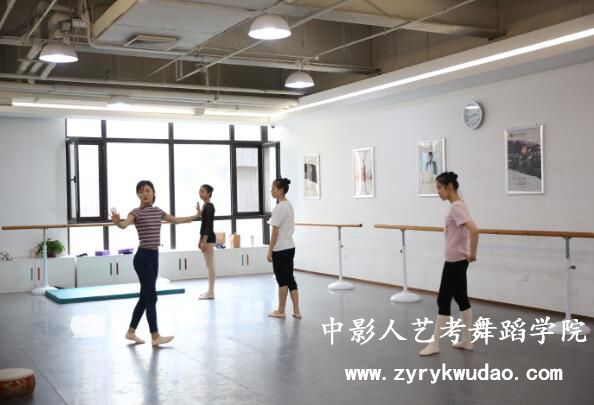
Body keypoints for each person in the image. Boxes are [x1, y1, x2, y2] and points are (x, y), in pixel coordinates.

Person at [111, 180, 199, 346]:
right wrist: (117, 222)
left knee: (145, 298)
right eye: (141, 191)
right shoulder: (135, 213)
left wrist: (195, 216)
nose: (145, 194)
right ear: (138, 195)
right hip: (143, 258)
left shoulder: (158, 211)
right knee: (152, 297)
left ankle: (131, 332)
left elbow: (175, 220)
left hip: (154, 257)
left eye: (147, 190)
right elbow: (124, 225)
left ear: (153, 193)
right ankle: (155, 336)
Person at [419, 171, 479, 356]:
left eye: (439, 187)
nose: (438, 191)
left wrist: (473, 254)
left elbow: (474, 230)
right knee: (461, 298)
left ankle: (435, 344)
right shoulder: (458, 205)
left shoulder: (456, 207)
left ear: (449, 187)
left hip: (455, 261)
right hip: (457, 259)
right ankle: (467, 341)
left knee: (443, 299)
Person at [267, 178, 301, 319]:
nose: (271, 191)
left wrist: (270, 250)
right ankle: (296, 310)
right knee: (290, 279)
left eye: (274, 188)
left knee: (282, 280)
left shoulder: (279, 208)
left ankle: (281, 310)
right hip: (290, 247)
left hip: (280, 249)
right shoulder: (289, 205)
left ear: (281, 190)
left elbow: (275, 231)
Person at [197, 184, 216, 300]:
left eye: (203, 191)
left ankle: (211, 292)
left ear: (209, 193)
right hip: (206, 238)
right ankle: (209, 291)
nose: (200, 193)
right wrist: (200, 239)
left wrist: (204, 241)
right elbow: (203, 224)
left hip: (208, 238)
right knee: (208, 265)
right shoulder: (206, 206)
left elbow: (208, 226)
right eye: (200, 191)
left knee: (210, 265)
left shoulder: (209, 207)